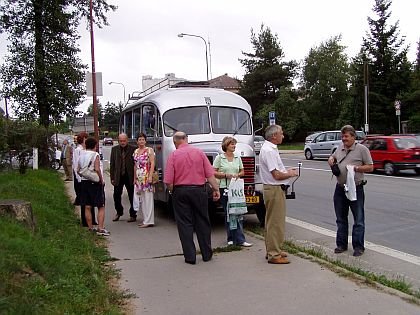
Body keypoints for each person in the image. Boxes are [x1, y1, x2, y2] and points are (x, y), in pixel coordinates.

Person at [164, 131, 220, 264]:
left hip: (181, 191)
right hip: (199, 190)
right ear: (186, 139)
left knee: (184, 224)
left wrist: (173, 191)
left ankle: (190, 256)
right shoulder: (199, 153)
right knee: (202, 221)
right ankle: (207, 254)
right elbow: (210, 174)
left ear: (175, 141)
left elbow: (168, 181)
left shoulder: (173, 155)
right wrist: (216, 189)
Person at [328, 125, 373, 257]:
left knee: (358, 219)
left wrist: (357, 169)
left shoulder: (362, 149)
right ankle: (341, 244)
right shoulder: (340, 148)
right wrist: (331, 160)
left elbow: (370, 167)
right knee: (341, 218)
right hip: (340, 188)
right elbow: (333, 157)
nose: (344, 139)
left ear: (353, 137)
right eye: (342, 136)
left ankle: (358, 246)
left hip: (356, 188)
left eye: (346, 136)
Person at [259, 125, 298, 264]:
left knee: (273, 221)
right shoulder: (269, 150)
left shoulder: (269, 149)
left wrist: (286, 171)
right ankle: (274, 255)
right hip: (274, 189)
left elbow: (275, 171)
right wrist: (290, 173)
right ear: (274, 136)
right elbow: (276, 175)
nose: (283, 135)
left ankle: (273, 248)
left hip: (274, 189)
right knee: (275, 222)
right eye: (281, 133)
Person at [213, 136, 252, 247]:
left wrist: (238, 175)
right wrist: (226, 175)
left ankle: (240, 239)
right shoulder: (220, 158)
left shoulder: (237, 157)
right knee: (229, 213)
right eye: (232, 144)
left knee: (238, 212)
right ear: (226, 146)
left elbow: (242, 171)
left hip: (236, 189)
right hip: (225, 188)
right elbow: (213, 172)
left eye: (234, 144)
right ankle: (231, 238)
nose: (234, 146)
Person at [78, 137, 109, 236]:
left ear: (86, 145)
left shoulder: (81, 154)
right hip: (94, 183)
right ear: (95, 145)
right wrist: (101, 179)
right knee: (101, 205)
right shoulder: (95, 155)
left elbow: (78, 169)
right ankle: (100, 228)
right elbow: (97, 168)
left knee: (87, 206)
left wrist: (84, 176)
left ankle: (90, 228)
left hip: (84, 182)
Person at [110, 133, 136, 222]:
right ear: (118, 141)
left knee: (132, 195)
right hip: (118, 176)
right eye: (121, 141)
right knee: (116, 195)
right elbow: (112, 164)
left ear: (127, 140)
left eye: (124, 141)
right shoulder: (114, 149)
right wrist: (112, 177)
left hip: (130, 176)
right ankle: (119, 212)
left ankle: (133, 214)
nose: (122, 142)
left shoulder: (133, 149)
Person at [72, 132, 97, 227]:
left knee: (90, 200)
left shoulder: (85, 150)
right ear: (82, 139)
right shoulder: (78, 150)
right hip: (81, 179)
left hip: (89, 178)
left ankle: (92, 219)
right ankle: (85, 221)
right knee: (84, 201)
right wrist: (79, 179)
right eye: (85, 138)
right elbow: (76, 166)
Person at [133, 133, 155, 228]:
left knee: (148, 199)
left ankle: (149, 220)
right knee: (142, 199)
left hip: (146, 176)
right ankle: (145, 219)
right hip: (139, 177)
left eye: (143, 139)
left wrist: (150, 176)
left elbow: (152, 163)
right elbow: (135, 165)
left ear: (145, 141)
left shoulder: (149, 150)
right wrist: (134, 178)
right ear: (137, 141)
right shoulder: (136, 151)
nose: (141, 141)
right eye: (139, 139)